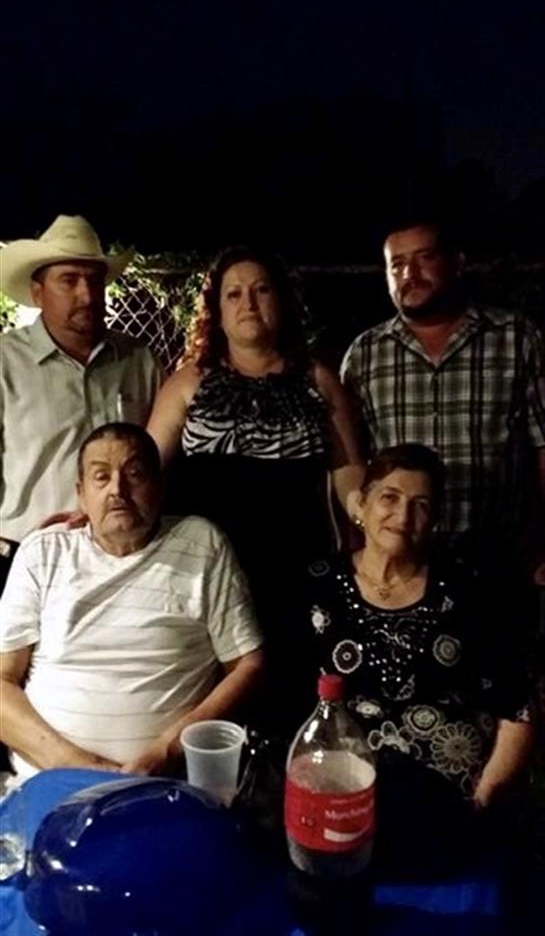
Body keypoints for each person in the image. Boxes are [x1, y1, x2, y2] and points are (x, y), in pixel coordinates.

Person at [146, 246, 364, 723]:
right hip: (208, 567)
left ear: (281, 302)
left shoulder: (319, 380)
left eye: (261, 290)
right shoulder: (187, 383)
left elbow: (349, 472)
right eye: (234, 293)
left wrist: (371, 526)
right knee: (209, 692)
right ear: (217, 312)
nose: (248, 303)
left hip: (297, 566)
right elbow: (146, 466)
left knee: (290, 689)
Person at [0, 423, 263, 780]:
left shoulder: (202, 543)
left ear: (160, 485)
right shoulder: (42, 552)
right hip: (50, 783)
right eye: (101, 477)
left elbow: (247, 663)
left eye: (135, 474)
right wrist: (76, 765)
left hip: (166, 783)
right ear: (81, 494)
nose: (117, 490)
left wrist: (167, 750)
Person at [306, 444, 534, 806]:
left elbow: (517, 709)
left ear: (435, 520)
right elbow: (290, 706)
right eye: (389, 497)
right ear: (361, 505)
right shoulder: (317, 586)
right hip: (345, 799)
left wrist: (485, 800)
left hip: (456, 805)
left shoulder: (469, 588)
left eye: (421, 504)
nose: (403, 515)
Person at [341, 220, 545, 584]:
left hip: (499, 559)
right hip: (401, 565)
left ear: (457, 262)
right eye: (397, 264)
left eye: (425, 258)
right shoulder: (365, 354)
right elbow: (351, 462)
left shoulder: (517, 338)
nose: (410, 273)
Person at [0, 215, 162, 589]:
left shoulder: (138, 359)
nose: (87, 295)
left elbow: (158, 458)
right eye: (69, 281)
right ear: (38, 292)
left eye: (93, 280)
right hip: (26, 562)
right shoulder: (6, 362)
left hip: (123, 561)